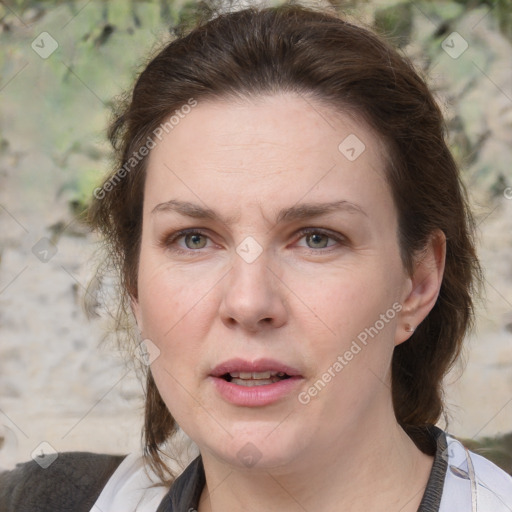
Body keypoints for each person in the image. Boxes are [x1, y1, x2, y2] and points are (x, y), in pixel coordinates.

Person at [1, 3, 511, 511]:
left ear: (417, 281)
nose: (248, 302)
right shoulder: (42, 500)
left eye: (316, 238)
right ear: (134, 285)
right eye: (193, 239)